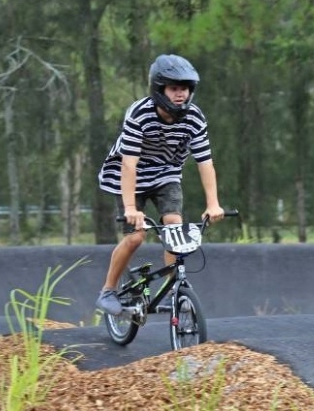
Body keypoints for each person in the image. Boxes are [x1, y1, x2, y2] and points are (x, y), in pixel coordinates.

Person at [95, 54, 226, 315]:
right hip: (129, 176)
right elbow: (129, 164)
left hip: (166, 173)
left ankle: (172, 291)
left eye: (185, 88)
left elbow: (205, 162)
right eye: (174, 88)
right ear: (160, 89)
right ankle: (107, 290)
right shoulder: (140, 114)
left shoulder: (194, 118)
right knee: (136, 237)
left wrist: (213, 204)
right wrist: (131, 208)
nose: (181, 94)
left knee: (174, 227)